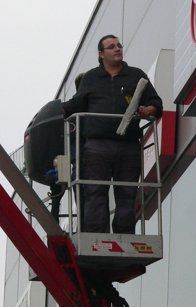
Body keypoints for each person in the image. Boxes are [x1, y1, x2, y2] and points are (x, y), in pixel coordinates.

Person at [62, 35, 163, 234]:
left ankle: (123, 238)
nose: (117, 49)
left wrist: (147, 111)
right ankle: (96, 238)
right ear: (101, 54)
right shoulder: (91, 77)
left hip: (128, 145)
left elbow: (156, 103)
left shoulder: (136, 75)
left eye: (119, 45)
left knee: (127, 194)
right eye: (111, 47)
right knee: (95, 193)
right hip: (97, 146)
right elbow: (76, 104)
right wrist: (53, 111)